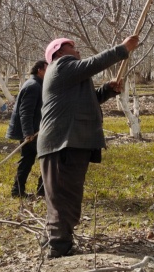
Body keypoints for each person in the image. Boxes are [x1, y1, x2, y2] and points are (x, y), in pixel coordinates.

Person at [38, 35, 139, 258]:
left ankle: (52, 243)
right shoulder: (61, 66)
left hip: (67, 143)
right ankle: (58, 250)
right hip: (63, 143)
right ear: (57, 52)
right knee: (65, 200)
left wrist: (106, 91)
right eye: (71, 46)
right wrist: (122, 49)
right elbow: (92, 64)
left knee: (63, 197)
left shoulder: (67, 75)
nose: (76, 50)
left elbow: (84, 101)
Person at [5, 60, 47, 198]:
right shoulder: (33, 86)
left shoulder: (37, 84)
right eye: (48, 68)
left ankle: (18, 191)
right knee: (45, 159)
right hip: (31, 132)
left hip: (35, 130)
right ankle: (40, 191)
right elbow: (25, 112)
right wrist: (28, 133)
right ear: (40, 70)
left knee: (28, 160)